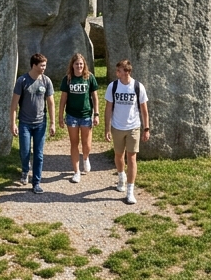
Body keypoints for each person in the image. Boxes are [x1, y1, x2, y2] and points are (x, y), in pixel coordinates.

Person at [103, 59, 149, 205]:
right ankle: (121, 176)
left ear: (127, 72)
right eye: (117, 70)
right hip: (117, 126)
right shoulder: (113, 86)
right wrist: (107, 128)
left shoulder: (138, 87)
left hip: (133, 127)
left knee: (132, 158)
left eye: (119, 71)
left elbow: (144, 110)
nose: (116, 73)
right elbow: (108, 108)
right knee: (118, 155)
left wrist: (146, 129)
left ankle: (130, 191)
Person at [11, 53, 57, 194]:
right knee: (25, 151)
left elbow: (51, 103)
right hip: (25, 123)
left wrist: (53, 123)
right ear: (34, 65)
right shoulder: (22, 81)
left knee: (39, 154)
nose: (44, 68)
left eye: (45, 65)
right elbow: (13, 105)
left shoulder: (46, 81)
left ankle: (36, 182)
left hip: (40, 124)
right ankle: (25, 170)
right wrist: (13, 123)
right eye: (42, 65)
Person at [58, 53, 99, 184]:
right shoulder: (68, 79)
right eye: (77, 64)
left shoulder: (89, 77)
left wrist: (96, 114)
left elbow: (95, 97)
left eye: (81, 64)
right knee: (74, 143)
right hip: (72, 115)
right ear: (73, 65)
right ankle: (76, 172)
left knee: (86, 144)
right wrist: (60, 116)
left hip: (86, 115)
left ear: (84, 65)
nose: (79, 66)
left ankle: (86, 158)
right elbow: (63, 98)